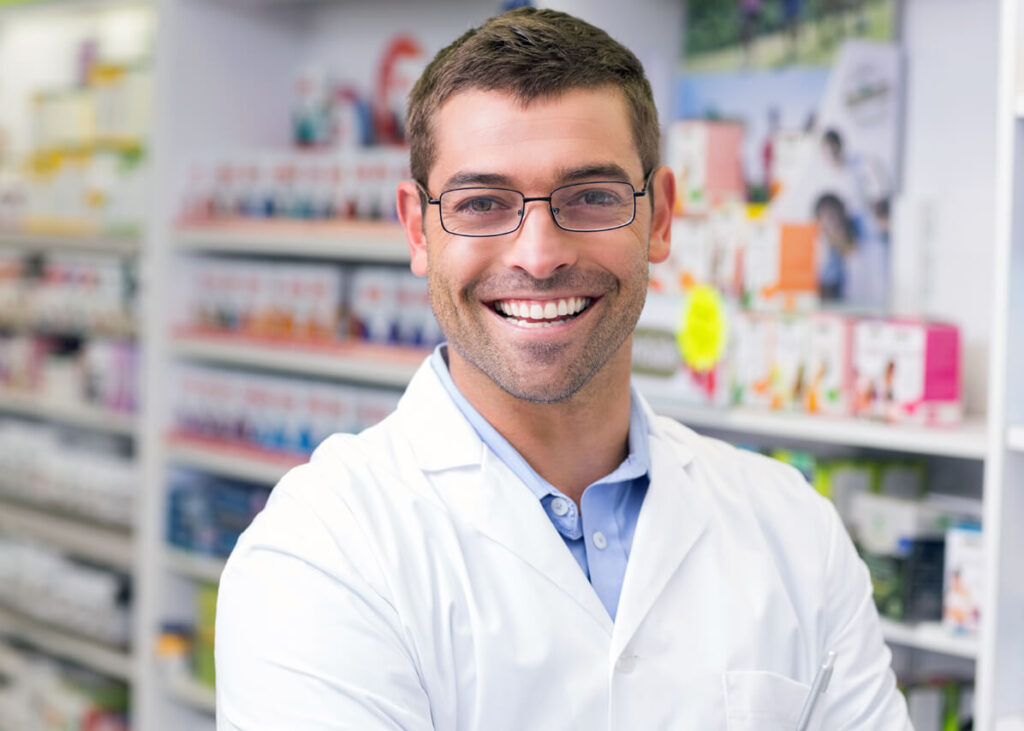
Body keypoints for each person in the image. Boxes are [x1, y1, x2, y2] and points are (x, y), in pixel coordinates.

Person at [215, 8, 911, 729]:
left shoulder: (792, 529)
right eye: (482, 203)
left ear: (662, 217)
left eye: (591, 198)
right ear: (418, 230)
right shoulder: (321, 554)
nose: (539, 255)